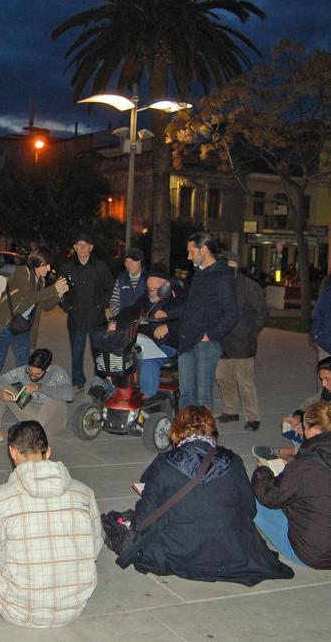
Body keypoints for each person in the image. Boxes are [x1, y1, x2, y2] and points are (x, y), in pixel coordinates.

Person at [0, 420, 102, 628]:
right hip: (74, 606)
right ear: (48, 452)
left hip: (19, 609)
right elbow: (94, 548)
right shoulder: (85, 493)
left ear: (12, 452)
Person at [116, 406, 293, 585]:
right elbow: (249, 509)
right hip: (229, 552)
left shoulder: (166, 462)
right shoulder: (233, 462)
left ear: (177, 431)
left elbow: (145, 517)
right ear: (212, 431)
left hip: (176, 549)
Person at [155, 232, 238, 408]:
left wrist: (211, 335)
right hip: (187, 341)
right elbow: (190, 306)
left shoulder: (222, 276)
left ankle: (204, 434)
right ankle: (186, 433)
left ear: (204, 250)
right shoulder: (200, 274)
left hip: (205, 344)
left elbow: (231, 312)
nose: (188, 256)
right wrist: (168, 314)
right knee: (186, 394)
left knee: (202, 395)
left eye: (191, 252)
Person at [0, 247, 68, 411]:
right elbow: (30, 297)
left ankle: (22, 398)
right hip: (5, 324)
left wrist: (59, 294)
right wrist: (53, 288)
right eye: (45, 265)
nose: (49, 269)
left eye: (49, 266)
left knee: (24, 365)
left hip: (22, 327)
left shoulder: (40, 281)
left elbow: (45, 305)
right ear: (36, 262)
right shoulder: (23, 273)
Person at [252, 400, 331, 569]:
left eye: (305, 427)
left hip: (314, 554)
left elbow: (270, 497)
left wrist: (263, 472)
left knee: (254, 497)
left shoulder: (306, 465)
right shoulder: (306, 465)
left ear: (315, 430)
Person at [215, 251, 269, 431]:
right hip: (223, 342)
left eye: (233, 265)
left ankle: (253, 417)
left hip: (243, 342)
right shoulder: (219, 284)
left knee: (245, 381)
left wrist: (250, 332)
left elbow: (261, 313)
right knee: (223, 378)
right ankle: (230, 410)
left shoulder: (249, 286)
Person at [112, 263, 183, 397]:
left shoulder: (178, 300)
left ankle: (146, 398)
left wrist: (169, 327)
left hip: (168, 344)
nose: (151, 292)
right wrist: (116, 321)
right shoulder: (146, 298)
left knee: (148, 362)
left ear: (166, 286)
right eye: (149, 289)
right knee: (118, 355)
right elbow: (131, 311)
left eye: (155, 289)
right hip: (146, 343)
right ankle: (118, 394)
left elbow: (188, 319)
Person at [57, 232, 114, 394]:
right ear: (75, 248)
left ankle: (99, 381)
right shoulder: (67, 268)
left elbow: (110, 288)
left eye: (85, 245)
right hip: (76, 319)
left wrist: (101, 306)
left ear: (91, 247)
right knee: (76, 353)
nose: (82, 248)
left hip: (97, 319)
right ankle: (78, 382)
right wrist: (68, 307)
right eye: (79, 245)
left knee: (99, 352)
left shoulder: (101, 267)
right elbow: (59, 291)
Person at [0, 348, 73, 444]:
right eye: (30, 372)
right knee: (1, 388)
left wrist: (39, 387)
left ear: (47, 368)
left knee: (56, 398)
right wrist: (0, 394)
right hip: (32, 415)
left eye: (37, 374)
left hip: (52, 423)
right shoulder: (23, 371)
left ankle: (32, 432)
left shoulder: (57, 373)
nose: (32, 377)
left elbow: (69, 395)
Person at [108, 248, 146, 318]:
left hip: (144, 323)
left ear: (140, 261)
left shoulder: (149, 279)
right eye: (126, 261)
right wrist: (121, 316)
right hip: (124, 321)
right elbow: (114, 302)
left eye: (132, 261)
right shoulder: (121, 279)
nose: (129, 264)